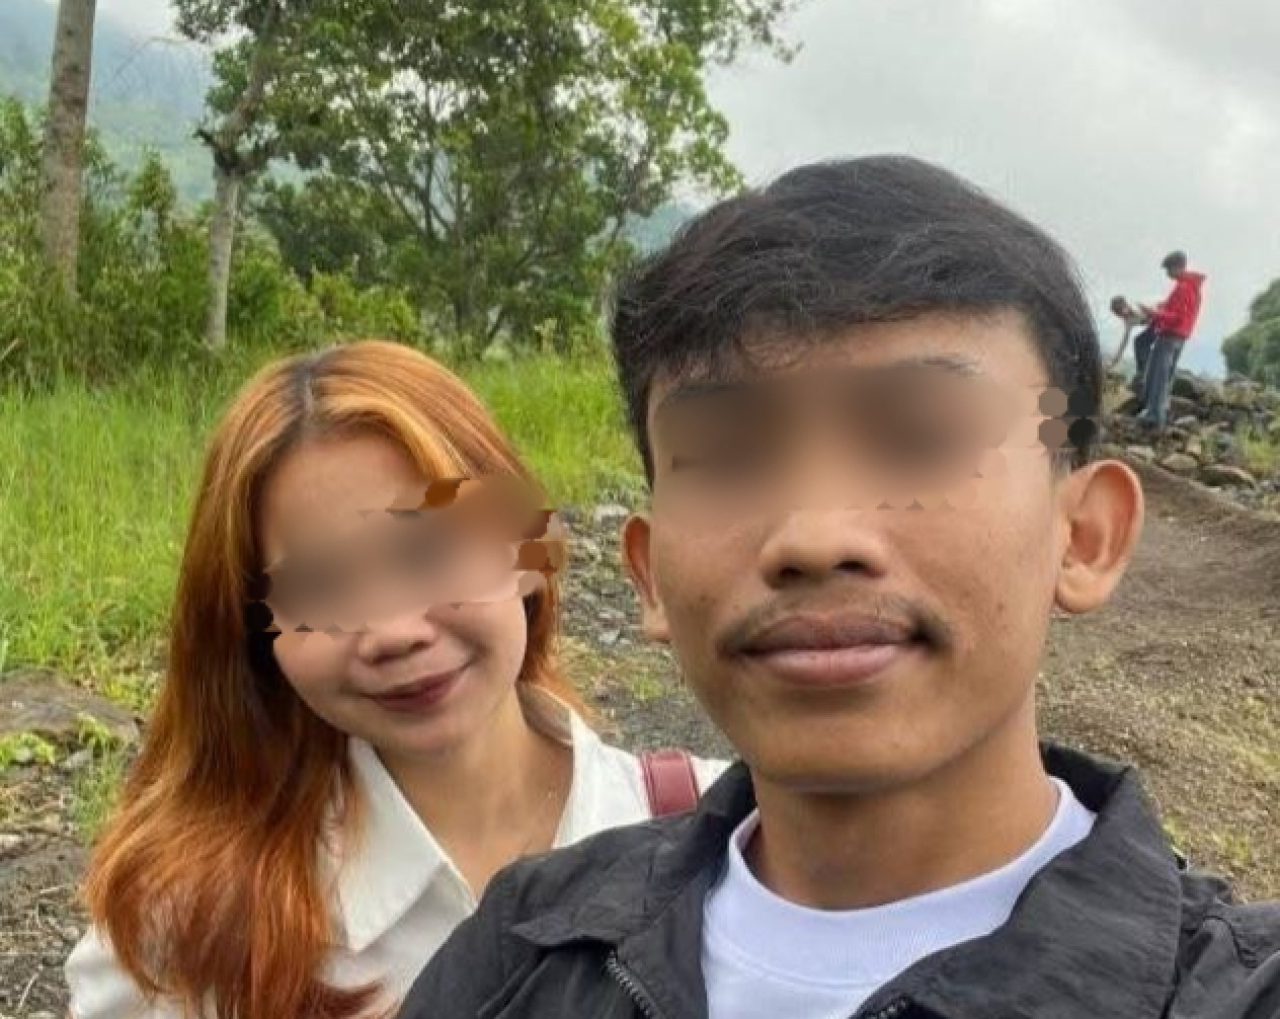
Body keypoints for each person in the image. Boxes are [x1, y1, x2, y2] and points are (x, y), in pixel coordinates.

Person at [393, 158, 1280, 1019]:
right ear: (649, 573)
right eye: (727, 455)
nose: (814, 535)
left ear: (1082, 536)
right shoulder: (517, 951)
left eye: (918, 438)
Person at [63, 340, 727, 1019]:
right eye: (319, 584)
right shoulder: (186, 928)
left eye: (426, 550)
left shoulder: (733, 838)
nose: (392, 629)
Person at [1132, 251, 1206, 427]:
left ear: (1178, 267)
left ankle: (1153, 416)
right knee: (1166, 376)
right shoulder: (1192, 287)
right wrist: (1161, 306)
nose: (1167, 274)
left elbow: (1176, 317)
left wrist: (1153, 313)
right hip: (1180, 337)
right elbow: (1179, 311)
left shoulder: (1183, 287)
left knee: (1158, 375)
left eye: (1169, 269)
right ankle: (1159, 412)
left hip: (1169, 335)